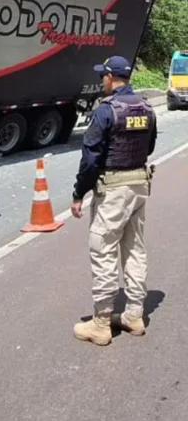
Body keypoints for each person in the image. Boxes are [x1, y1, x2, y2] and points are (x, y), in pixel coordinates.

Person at [70, 56, 157, 346]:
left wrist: (78, 194)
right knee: (134, 250)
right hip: (140, 186)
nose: (101, 81)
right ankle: (134, 315)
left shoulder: (106, 111)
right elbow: (151, 145)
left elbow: (90, 158)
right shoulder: (146, 107)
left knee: (104, 251)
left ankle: (101, 323)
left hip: (113, 191)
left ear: (110, 77)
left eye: (102, 76)